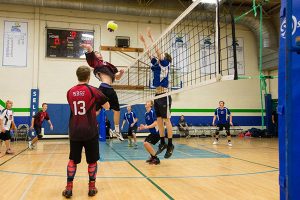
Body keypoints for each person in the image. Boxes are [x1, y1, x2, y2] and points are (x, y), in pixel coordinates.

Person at [62, 65, 110, 198]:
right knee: (92, 160)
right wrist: (97, 106)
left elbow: (77, 109)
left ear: (77, 76)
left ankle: (69, 188)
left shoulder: (69, 92)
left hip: (75, 130)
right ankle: (92, 187)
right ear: (88, 77)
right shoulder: (93, 90)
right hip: (90, 130)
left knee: (73, 160)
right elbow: (107, 105)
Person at [139, 28, 174, 159]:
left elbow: (157, 51)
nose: (160, 56)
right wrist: (144, 42)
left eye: (162, 55)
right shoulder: (157, 65)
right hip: (157, 95)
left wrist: (151, 37)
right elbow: (149, 54)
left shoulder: (165, 63)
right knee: (159, 120)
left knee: (166, 120)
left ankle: (170, 144)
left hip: (164, 95)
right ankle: (163, 142)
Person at [80, 43, 124, 141]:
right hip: (104, 88)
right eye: (96, 53)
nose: (98, 54)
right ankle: (84, 124)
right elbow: (90, 50)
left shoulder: (108, 65)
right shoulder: (96, 63)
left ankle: (116, 131)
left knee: (116, 111)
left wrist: (121, 73)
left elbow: (117, 77)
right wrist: (88, 47)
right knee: (99, 111)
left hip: (109, 89)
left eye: (99, 53)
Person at [138, 100, 160, 165]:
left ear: (151, 105)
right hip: (153, 133)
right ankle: (153, 157)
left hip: (157, 133)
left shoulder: (153, 112)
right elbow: (148, 125)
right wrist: (142, 127)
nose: (146, 102)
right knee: (145, 143)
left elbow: (156, 123)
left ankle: (156, 158)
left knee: (146, 143)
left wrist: (146, 127)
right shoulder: (146, 114)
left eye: (148, 102)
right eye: (146, 102)